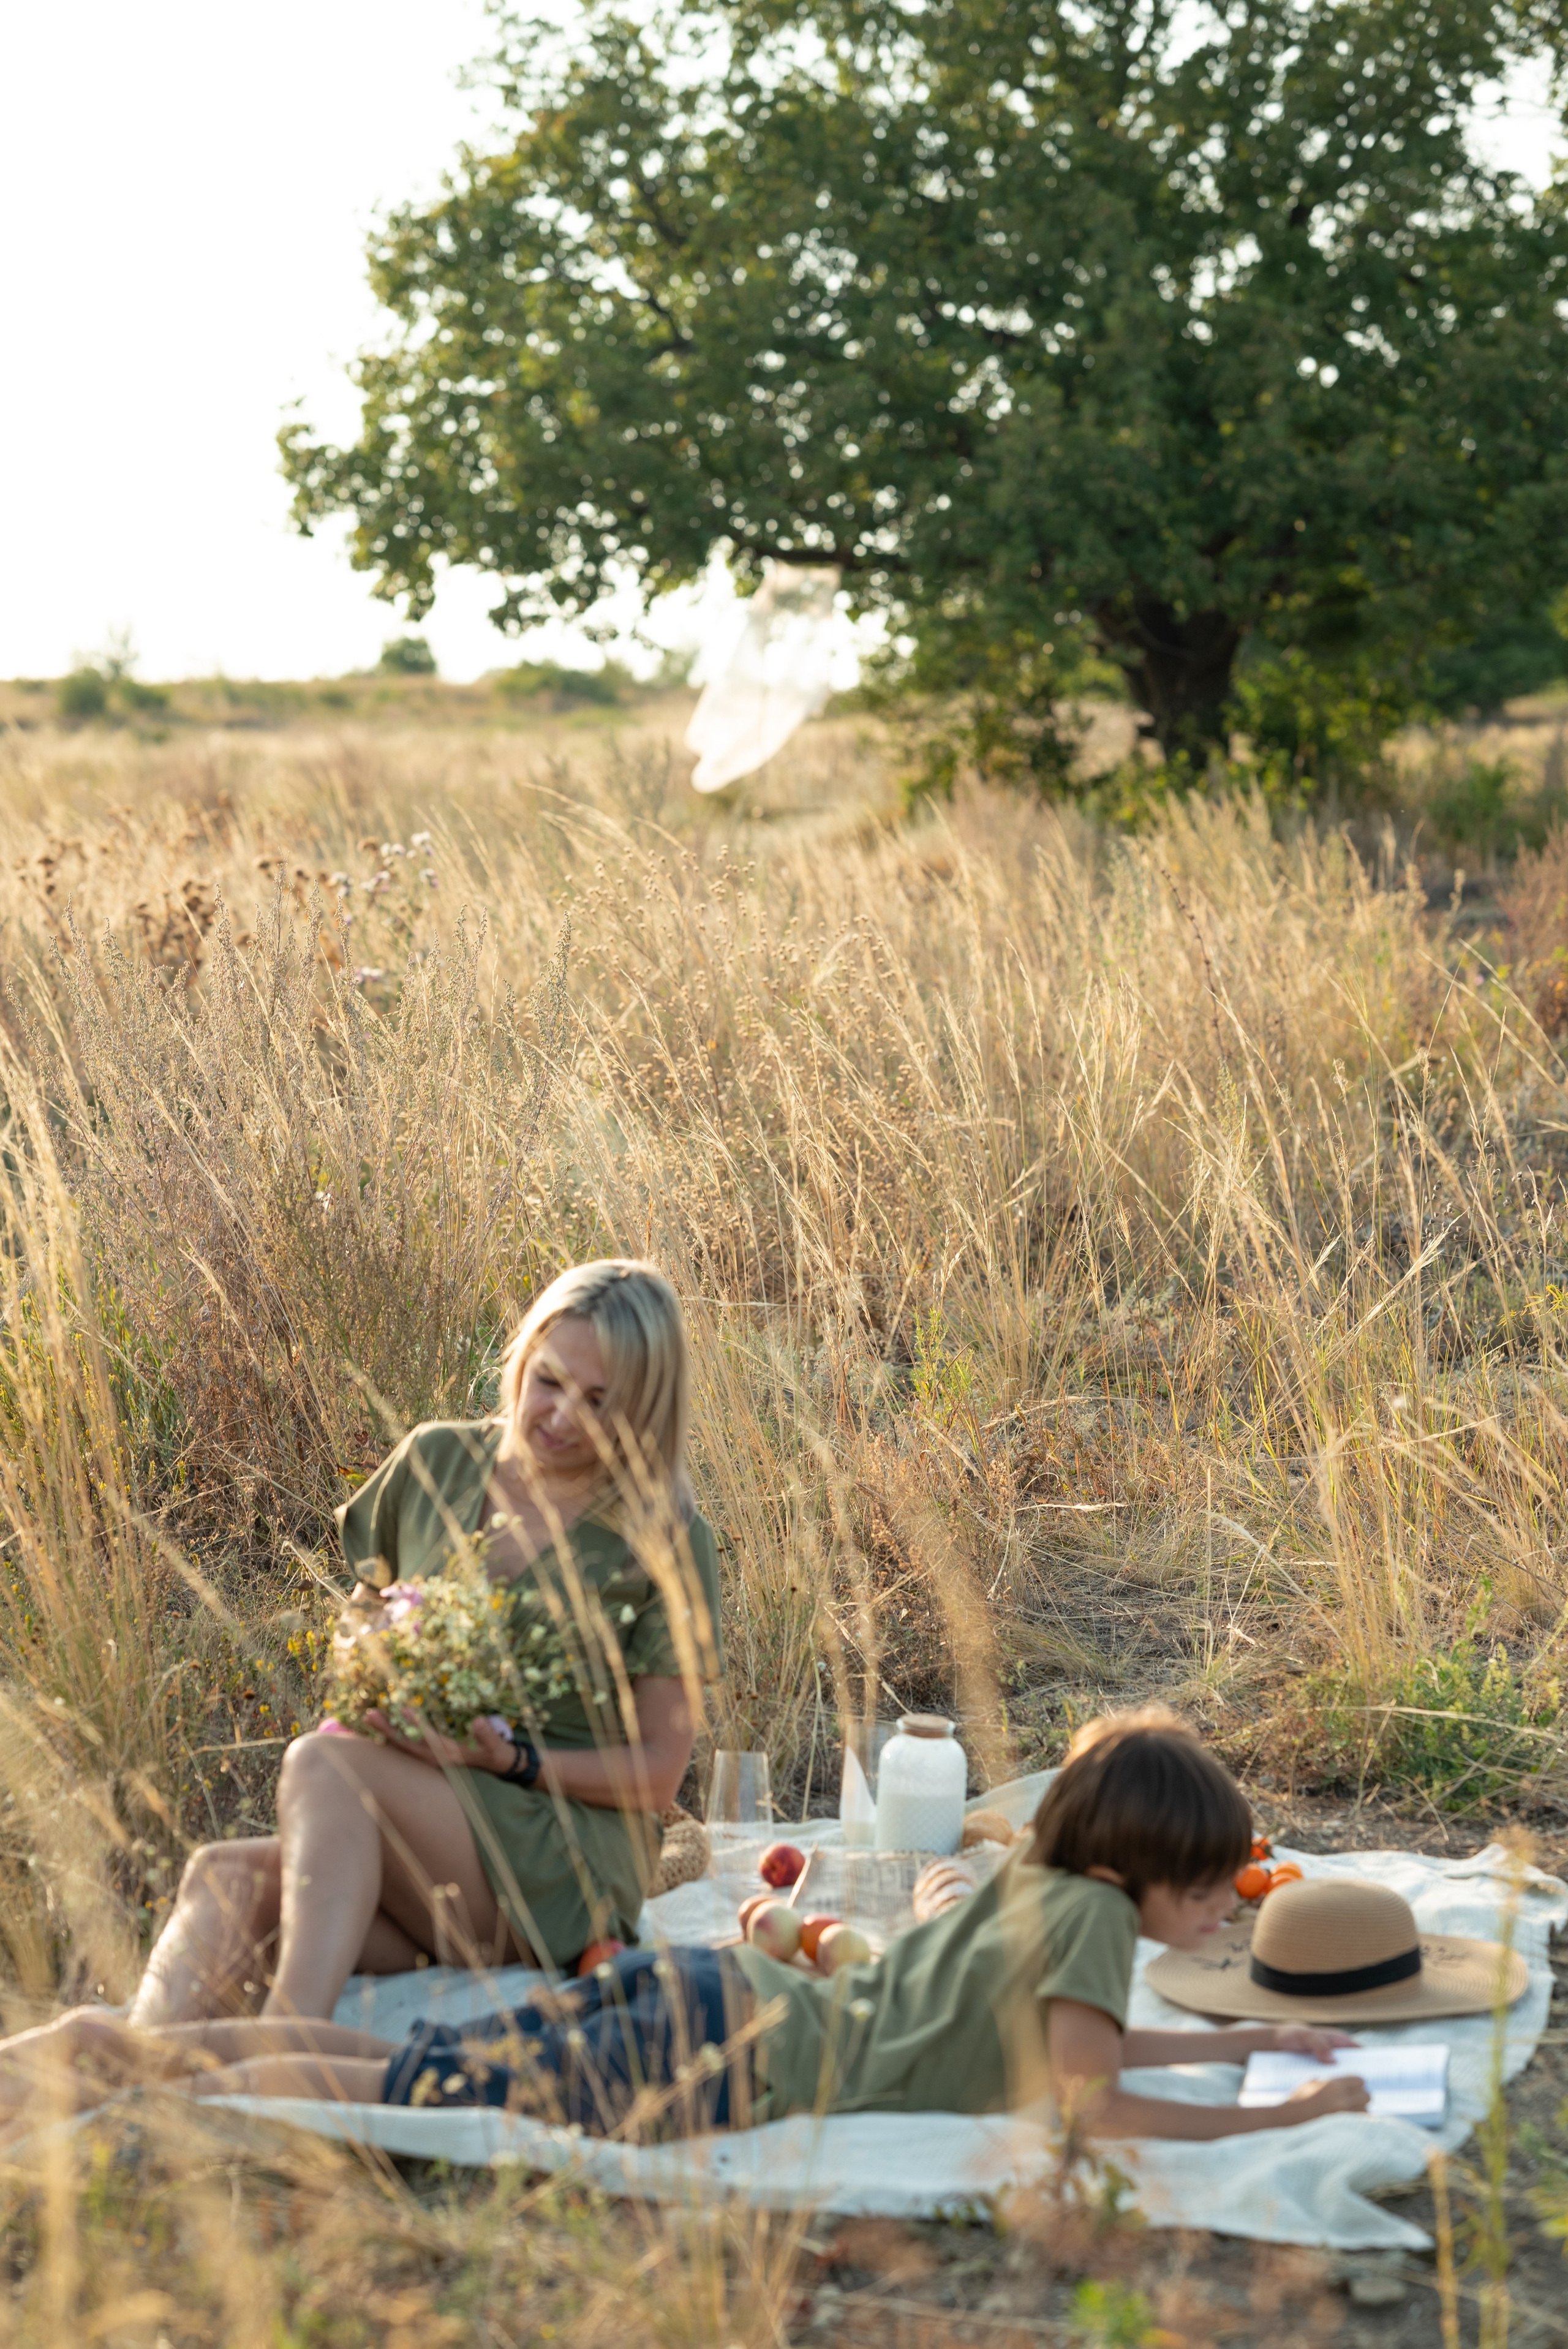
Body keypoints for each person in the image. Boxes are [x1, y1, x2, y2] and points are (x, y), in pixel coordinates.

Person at [59, 1711, 1366, 2141]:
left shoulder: (1039, 1889)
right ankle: (134, 2068)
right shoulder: (1092, 1928)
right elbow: (1088, 2100)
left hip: (715, 1997)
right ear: (1134, 1873)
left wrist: (1237, 2048)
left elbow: (1072, 2053)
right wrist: (1277, 2119)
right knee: (423, 2088)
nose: (1219, 1912)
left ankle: (148, 2056)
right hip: (726, 2058)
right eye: (1206, 1890)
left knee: (435, 2062)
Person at [131, 1261, 724, 2027]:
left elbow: (658, 1771)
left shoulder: (664, 1535)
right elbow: (363, 1617)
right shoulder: (436, 1460)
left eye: (598, 1400)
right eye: (548, 1380)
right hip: (420, 1824)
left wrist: (510, 1759)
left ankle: (285, 2044)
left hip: (561, 1855)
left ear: (644, 1408)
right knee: (223, 1878)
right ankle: (134, 2072)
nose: (559, 1415)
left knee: (322, 1762)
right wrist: (376, 1665)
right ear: (522, 1360)